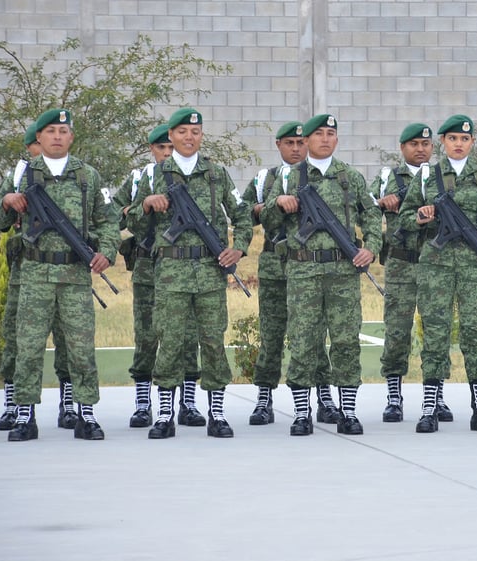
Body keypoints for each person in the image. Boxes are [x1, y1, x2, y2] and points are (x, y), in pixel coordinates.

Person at [128, 107, 252, 439]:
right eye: (182, 132)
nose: (189, 137)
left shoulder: (216, 173)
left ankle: (217, 413)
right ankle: (165, 414)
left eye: (195, 132)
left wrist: (238, 247)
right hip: (170, 271)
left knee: (213, 342)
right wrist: (146, 205)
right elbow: (131, 223)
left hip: (211, 271)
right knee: (169, 341)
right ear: (171, 136)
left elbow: (241, 214)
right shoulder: (153, 176)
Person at [0, 109, 119, 441]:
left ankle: (87, 414)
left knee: (80, 346)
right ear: (39, 137)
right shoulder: (22, 174)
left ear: (71, 137)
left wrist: (106, 253)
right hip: (34, 272)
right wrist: (7, 201)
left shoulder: (88, 176)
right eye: (50, 130)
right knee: (29, 345)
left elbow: (108, 221)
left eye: (63, 131)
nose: (56, 136)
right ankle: (25, 415)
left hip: (75, 274)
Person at [260, 114, 382, 436]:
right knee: (303, 341)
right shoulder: (289, 178)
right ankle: (302, 413)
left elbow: (371, 213)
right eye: (319, 134)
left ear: (337, 140)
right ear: (307, 140)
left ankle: (348, 411)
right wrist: (279, 204)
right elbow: (268, 222)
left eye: (331, 134)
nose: (326, 139)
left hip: (344, 269)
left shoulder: (350, 177)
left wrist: (371, 246)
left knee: (345, 340)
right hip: (303, 270)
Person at [399, 114, 477, 433]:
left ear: (472, 142)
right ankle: (429, 407)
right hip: (435, 263)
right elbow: (403, 218)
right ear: (443, 143)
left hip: (476, 265)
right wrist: (421, 217)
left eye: (465, 139)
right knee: (435, 332)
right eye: (452, 139)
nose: (459, 144)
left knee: (473, 333)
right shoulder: (427, 176)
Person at [243, 121, 339, 427]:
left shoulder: (323, 177)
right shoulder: (267, 178)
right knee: (271, 335)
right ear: (278, 145)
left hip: (313, 268)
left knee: (315, 334)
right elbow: (240, 212)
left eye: (300, 142)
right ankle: (263, 399)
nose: (296, 148)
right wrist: (265, 207)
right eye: (290, 143)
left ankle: (324, 396)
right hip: (275, 268)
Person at [112, 124, 205, 429]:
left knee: (188, 334)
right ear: (152, 149)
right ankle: (143, 404)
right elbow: (112, 213)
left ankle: (187, 402)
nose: (167, 153)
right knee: (147, 335)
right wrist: (138, 207)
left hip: (184, 270)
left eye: (171, 147)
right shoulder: (142, 177)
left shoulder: (192, 175)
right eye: (161, 148)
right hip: (147, 269)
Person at [0, 124, 77, 432]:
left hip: (64, 272)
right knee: (19, 343)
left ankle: (68, 405)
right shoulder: (18, 176)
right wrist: (7, 200)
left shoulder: (71, 176)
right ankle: (12, 406)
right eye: (35, 145)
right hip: (24, 272)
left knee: (68, 342)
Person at [368, 123, 438, 423]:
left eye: (425, 144)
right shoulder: (388, 177)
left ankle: (436, 398)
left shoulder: (441, 177)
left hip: (436, 265)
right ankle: (394, 397)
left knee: (437, 331)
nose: (420, 149)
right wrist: (382, 202)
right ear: (402, 148)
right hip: (401, 265)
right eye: (413, 144)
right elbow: (365, 206)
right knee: (397, 332)